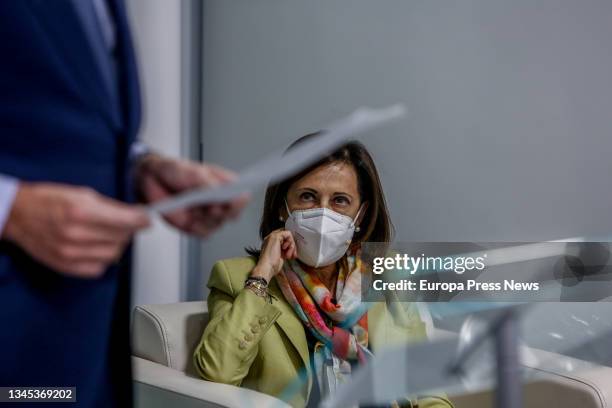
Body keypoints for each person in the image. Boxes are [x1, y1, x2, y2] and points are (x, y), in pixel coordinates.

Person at [0, 1, 247, 407]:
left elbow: (59, 119)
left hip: (83, 361)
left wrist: (138, 166)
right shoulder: (241, 278)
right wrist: (12, 209)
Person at [193, 135, 453, 408]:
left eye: (340, 200)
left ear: (360, 216)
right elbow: (217, 372)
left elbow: (429, 388)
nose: (322, 213)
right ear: (283, 206)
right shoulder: (237, 278)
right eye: (308, 197)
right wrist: (262, 275)